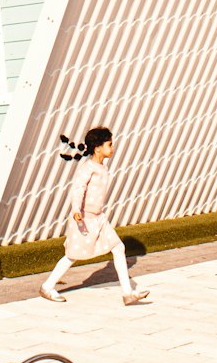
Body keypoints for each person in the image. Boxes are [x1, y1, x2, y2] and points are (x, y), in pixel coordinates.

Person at [40, 127, 150, 306]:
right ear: (98, 148)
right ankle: (47, 286)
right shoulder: (88, 168)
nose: (113, 148)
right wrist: (76, 210)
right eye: (109, 144)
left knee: (118, 247)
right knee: (72, 254)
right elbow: (78, 188)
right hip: (83, 218)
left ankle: (128, 293)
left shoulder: (102, 167)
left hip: (99, 218)